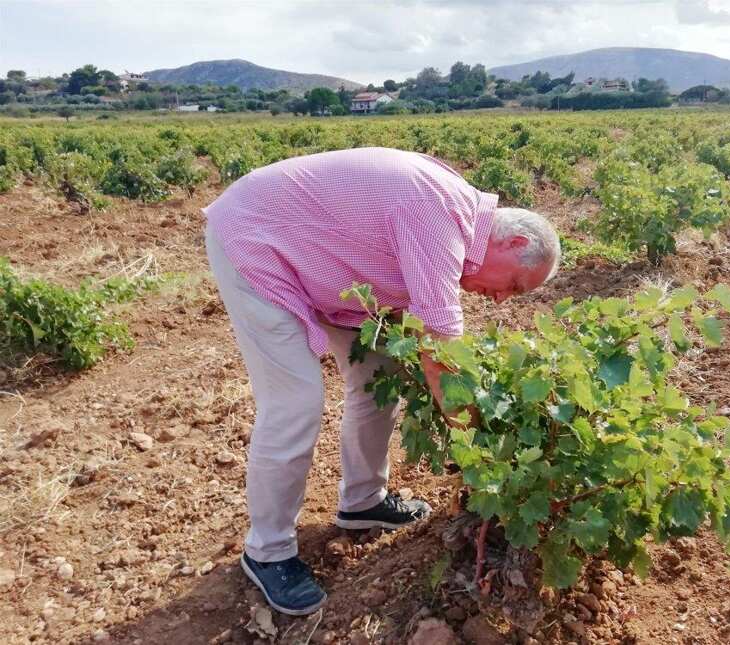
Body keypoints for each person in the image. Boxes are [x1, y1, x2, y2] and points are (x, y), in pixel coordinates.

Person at [203, 147, 560, 615]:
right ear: (513, 244)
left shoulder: (453, 213)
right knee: (297, 402)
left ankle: (363, 502)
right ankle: (267, 553)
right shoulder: (440, 218)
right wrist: (474, 449)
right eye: (513, 286)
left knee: (378, 373)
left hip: (321, 265)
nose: (499, 300)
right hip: (256, 241)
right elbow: (441, 354)